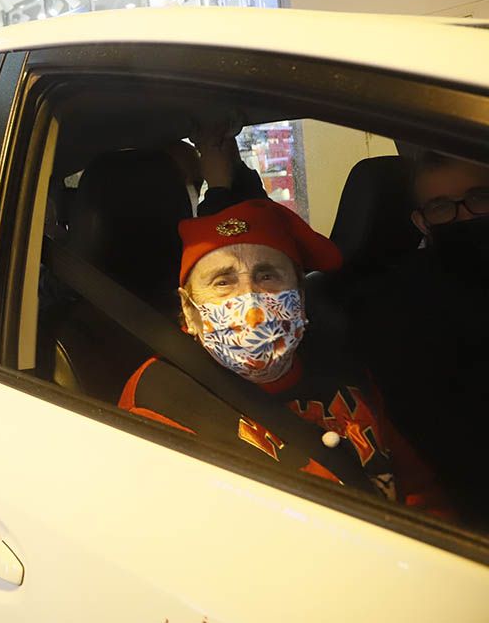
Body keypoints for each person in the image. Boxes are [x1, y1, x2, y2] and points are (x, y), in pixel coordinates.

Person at [119, 198, 448, 514]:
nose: (249, 299)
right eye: (223, 282)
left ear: (300, 297)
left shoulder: (340, 365)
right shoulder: (160, 397)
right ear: (190, 312)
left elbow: (419, 490)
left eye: (267, 276)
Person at [352, 152, 489, 527]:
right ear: (421, 221)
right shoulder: (397, 305)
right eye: (442, 207)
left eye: (477, 198)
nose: (462, 216)